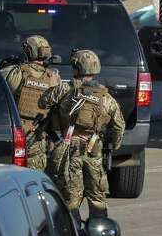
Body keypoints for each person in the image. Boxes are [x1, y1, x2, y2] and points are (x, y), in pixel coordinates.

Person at [40, 50, 126, 219]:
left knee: (70, 198)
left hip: (68, 150)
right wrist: (112, 145)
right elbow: (119, 127)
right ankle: (101, 235)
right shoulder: (106, 97)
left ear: (76, 68)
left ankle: (74, 235)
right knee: (97, 196)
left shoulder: (65, 89)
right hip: (93, 151)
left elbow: (43, 101)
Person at [1, 35, 61, 171]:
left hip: (16, 135)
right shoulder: (54, 78)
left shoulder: (16, 73)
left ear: (28, 51)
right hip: (39, 139)